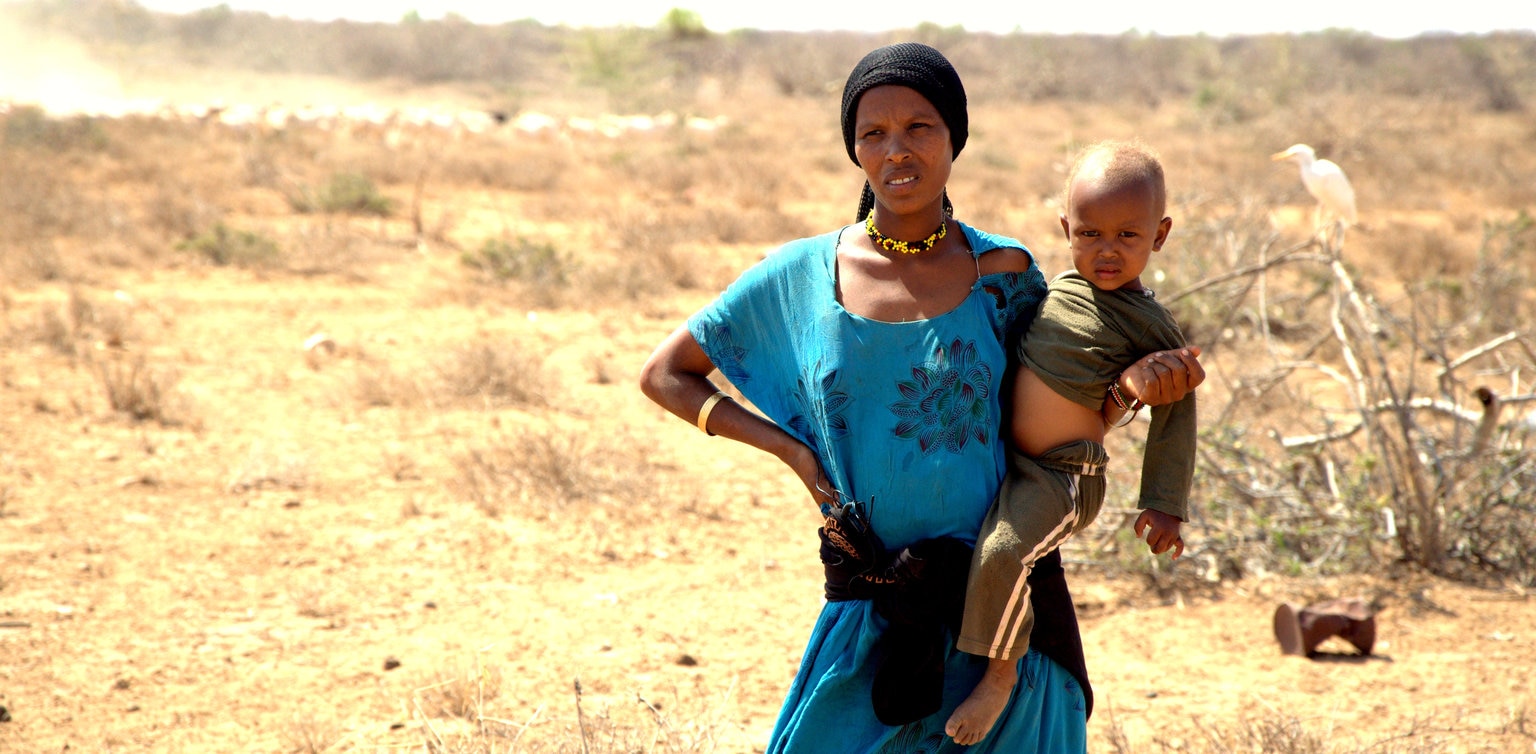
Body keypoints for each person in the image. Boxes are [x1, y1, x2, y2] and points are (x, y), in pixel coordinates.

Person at [638, 45, 1204, 752]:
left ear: (954, 139)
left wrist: (1128, 394)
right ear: (853, 148)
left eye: (920, 127)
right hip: (873, 608)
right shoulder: (798, 277)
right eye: (873, 132)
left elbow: (1055, 423)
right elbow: (665, 374)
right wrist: (794, 455)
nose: (896, 149)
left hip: (1002, 619)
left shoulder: (1005, 274)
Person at [946, 140, 1198, 745]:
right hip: (1006, 460)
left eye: (1127, 237)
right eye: (1089, 234)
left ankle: (999, 677)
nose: (1106, 251)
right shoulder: (1056, 290)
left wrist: (1163, 503)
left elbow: (1176, 410)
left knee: (1003, 553)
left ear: (1159, 235)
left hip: (1063, 476)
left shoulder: (1148, 324)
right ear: (1065, 228)